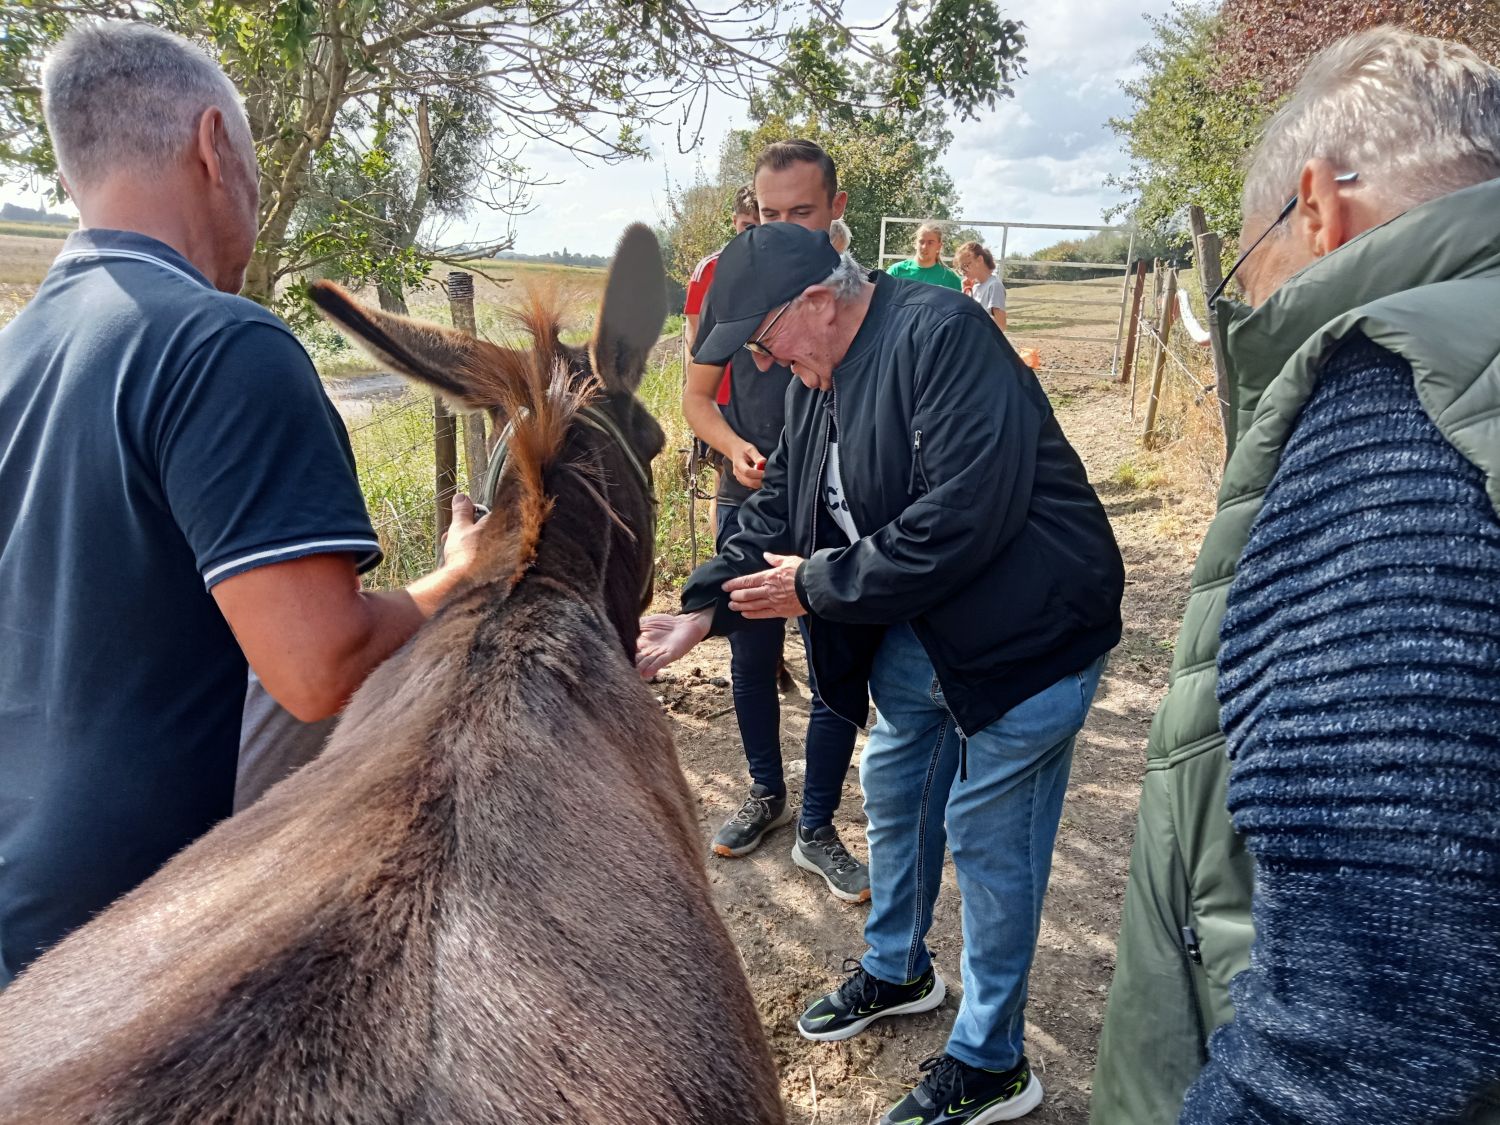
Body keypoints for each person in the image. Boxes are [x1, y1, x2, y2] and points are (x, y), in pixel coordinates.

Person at [0, 22, 484, 987]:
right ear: (215, 146)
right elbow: (320, 668)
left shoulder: (18, 353)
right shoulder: (222, 346)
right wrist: (462, 577)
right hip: (141, 918)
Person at [1092, 28, 1500, 1125]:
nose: (1249, 296)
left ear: (1317, 206)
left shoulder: (1396, 411)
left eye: (1249, 258)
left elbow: (1372, 1030)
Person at [639, 222, 1124, 1125]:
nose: (765, 363)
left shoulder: (940, 334)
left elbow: (963, 514)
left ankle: (992, 1062)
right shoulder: (815, 384)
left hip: (1028, 634)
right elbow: (779, 503)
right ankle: (900, 966)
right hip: (921, 635)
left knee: (987, 839)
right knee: (896, 791)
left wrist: (815, 584)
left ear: (818, 302)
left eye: (763, 341)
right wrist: (701, 607)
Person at [679, 139, 869, 903]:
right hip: (752, 497)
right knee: (751, 653)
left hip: (827, 503)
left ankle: (818, 823)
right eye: (767, 212)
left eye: (802, 212)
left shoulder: (848, 304)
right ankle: (765, 792)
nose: (780, 227)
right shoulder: (734, 278)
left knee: (833, 658)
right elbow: (695, 396)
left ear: (836, 213)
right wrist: (734, 449)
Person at [887, 221, 962, 289]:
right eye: (921, 242)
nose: (924, 247)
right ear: (915, 244)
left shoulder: (950, 278)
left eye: (930, 242)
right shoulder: (896, 271)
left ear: (939, 246)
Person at [955, 241, 1007, 331]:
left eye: (966, 266)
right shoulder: (975, 287)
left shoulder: (994, 286)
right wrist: (965, 293)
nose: (963, 271)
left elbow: (1001, 324)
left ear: (979, 260)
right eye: (961, 268)